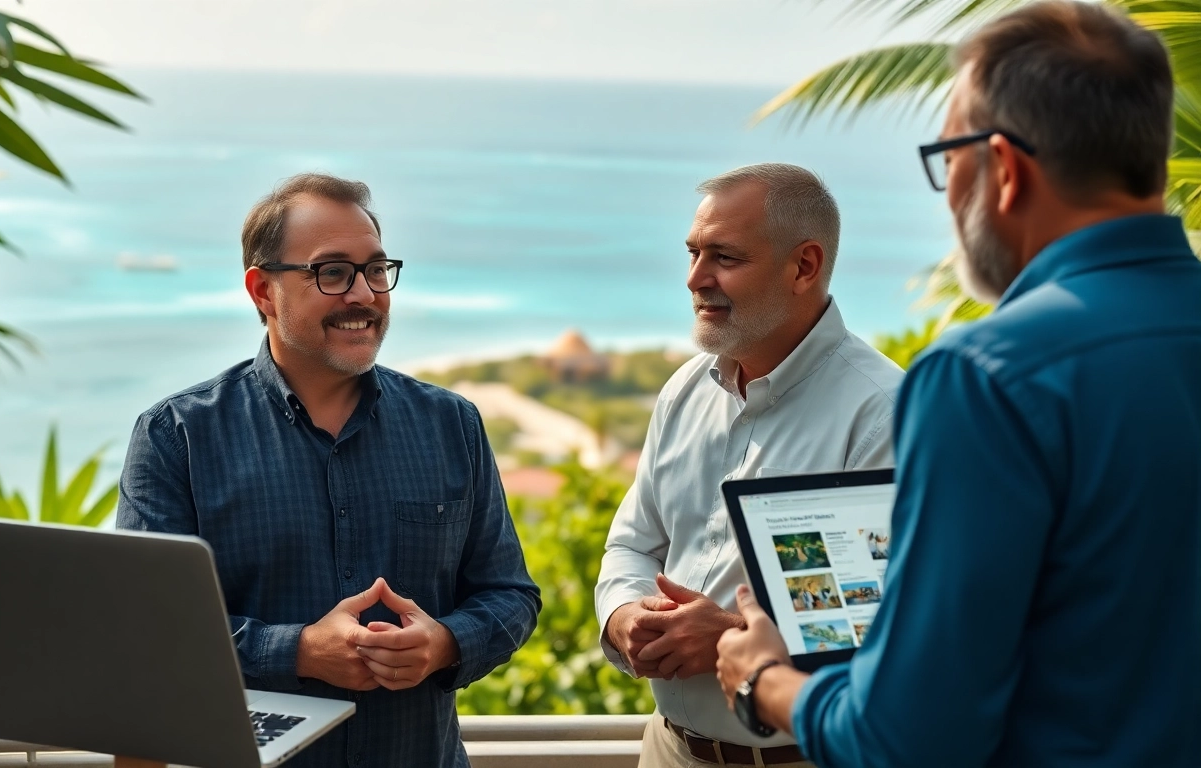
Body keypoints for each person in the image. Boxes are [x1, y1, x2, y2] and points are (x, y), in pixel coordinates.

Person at [715, 4, 1201, 766]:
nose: (947, 194)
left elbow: (905, 740)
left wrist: (765, 681)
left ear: (1005, 169)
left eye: (950, 158)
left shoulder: (991, 376)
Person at [116, 173, 541, 767]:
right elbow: (146, 629)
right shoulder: (177, 437)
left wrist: (445, 643)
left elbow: (510, 595)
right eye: (333, 272)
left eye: (376, 270)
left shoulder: (452, 424)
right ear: (263, 291)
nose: (364, 294)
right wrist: (299, 651)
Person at [595, 163, 904, 767]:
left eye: (725, 257)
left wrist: (728, 636)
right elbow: (632, 544)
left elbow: (890, 625)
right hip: (666, 749)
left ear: (804, 266)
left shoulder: (883, 414)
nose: (695, 278)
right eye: (693, 253)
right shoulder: (684, 390)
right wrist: (625, 615)